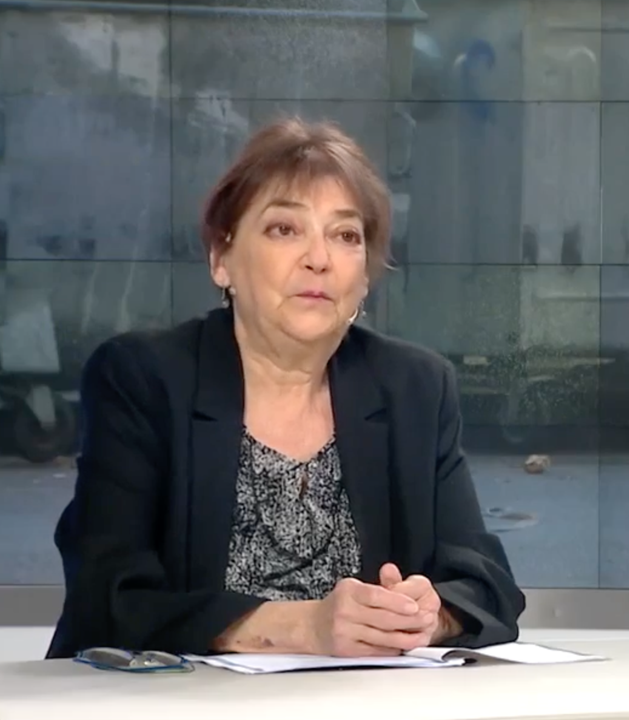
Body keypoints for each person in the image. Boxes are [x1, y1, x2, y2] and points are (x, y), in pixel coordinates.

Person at [48, 118, 525, 659]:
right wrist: (302, 628)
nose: (319, 258)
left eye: (346, 236)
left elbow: (489, 586)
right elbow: (105, 600)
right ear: (221, 258)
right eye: (284, 229)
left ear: (364, 278)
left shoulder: (414, 387)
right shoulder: (144, 379)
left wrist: (429, 615)